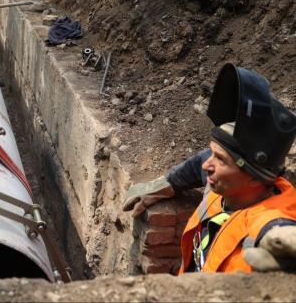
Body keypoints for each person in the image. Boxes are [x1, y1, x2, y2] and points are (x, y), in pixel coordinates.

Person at [123, 63, 296, 273]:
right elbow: (201, 163)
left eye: (220, 159)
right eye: (212, 153)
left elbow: (278, 233)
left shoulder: (271, 223)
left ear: (254, 176)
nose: (207, 165)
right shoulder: (227, 186)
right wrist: (168, 184)